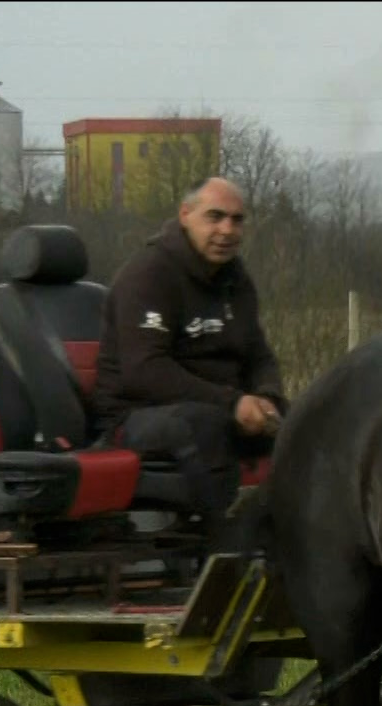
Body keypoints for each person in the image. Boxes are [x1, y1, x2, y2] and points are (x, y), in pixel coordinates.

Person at [91, 176, 287, 539]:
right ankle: (226, 548)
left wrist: (267, 398)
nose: (227, 230)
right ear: (185, 214)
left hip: (217, 407)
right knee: (204, 426)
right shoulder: (149, 275)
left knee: (302, 422)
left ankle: (295, 547)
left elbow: (259, 355)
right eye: (214, 217)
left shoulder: (236, 281)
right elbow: (144, 371)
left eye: (237, 219)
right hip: (131, 419)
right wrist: (231, 403)